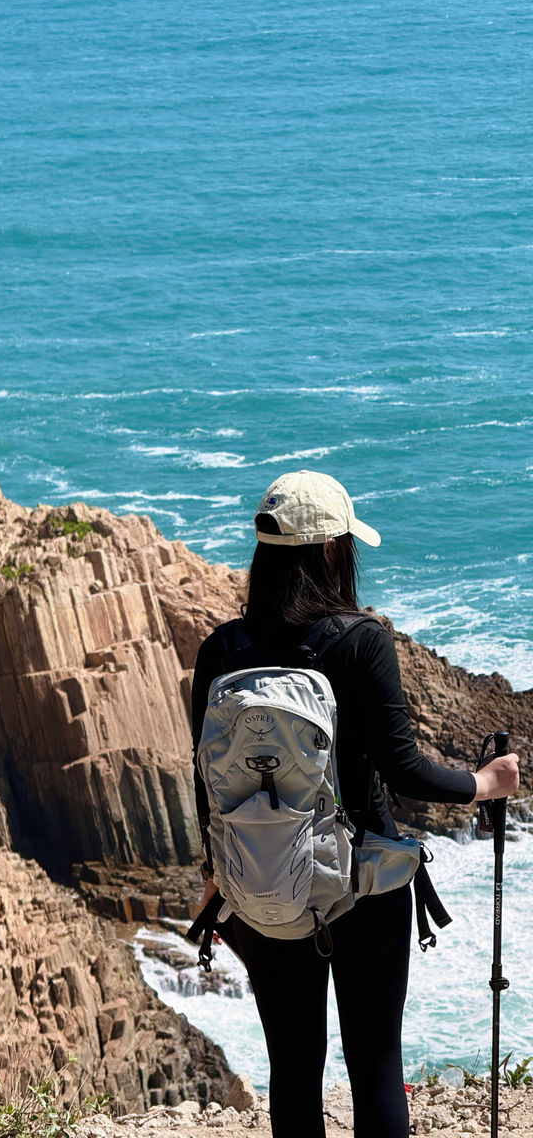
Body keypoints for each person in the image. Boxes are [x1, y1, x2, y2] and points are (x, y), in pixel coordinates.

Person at [190, 470, 520, 1138]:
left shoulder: (222, 650)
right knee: (375, 1066)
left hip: (261, 883)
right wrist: (484, 784)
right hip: (363, 881)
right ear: (333, 551)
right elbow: (404, 770)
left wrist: (217, 873)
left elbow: (209, 784)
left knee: (292, 1069)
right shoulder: (360, 639)